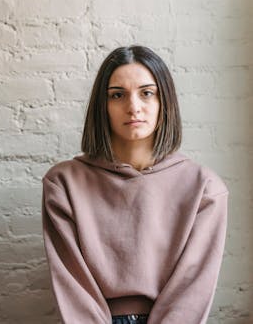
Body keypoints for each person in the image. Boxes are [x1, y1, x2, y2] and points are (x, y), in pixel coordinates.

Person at [42, 45, 228, 324]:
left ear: (164, 101)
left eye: (147, 93)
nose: (133, 107)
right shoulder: (63, 184)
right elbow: (73, 288)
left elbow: (192, 290)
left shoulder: (205, 188)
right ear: (102, 106)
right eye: (118, 95)